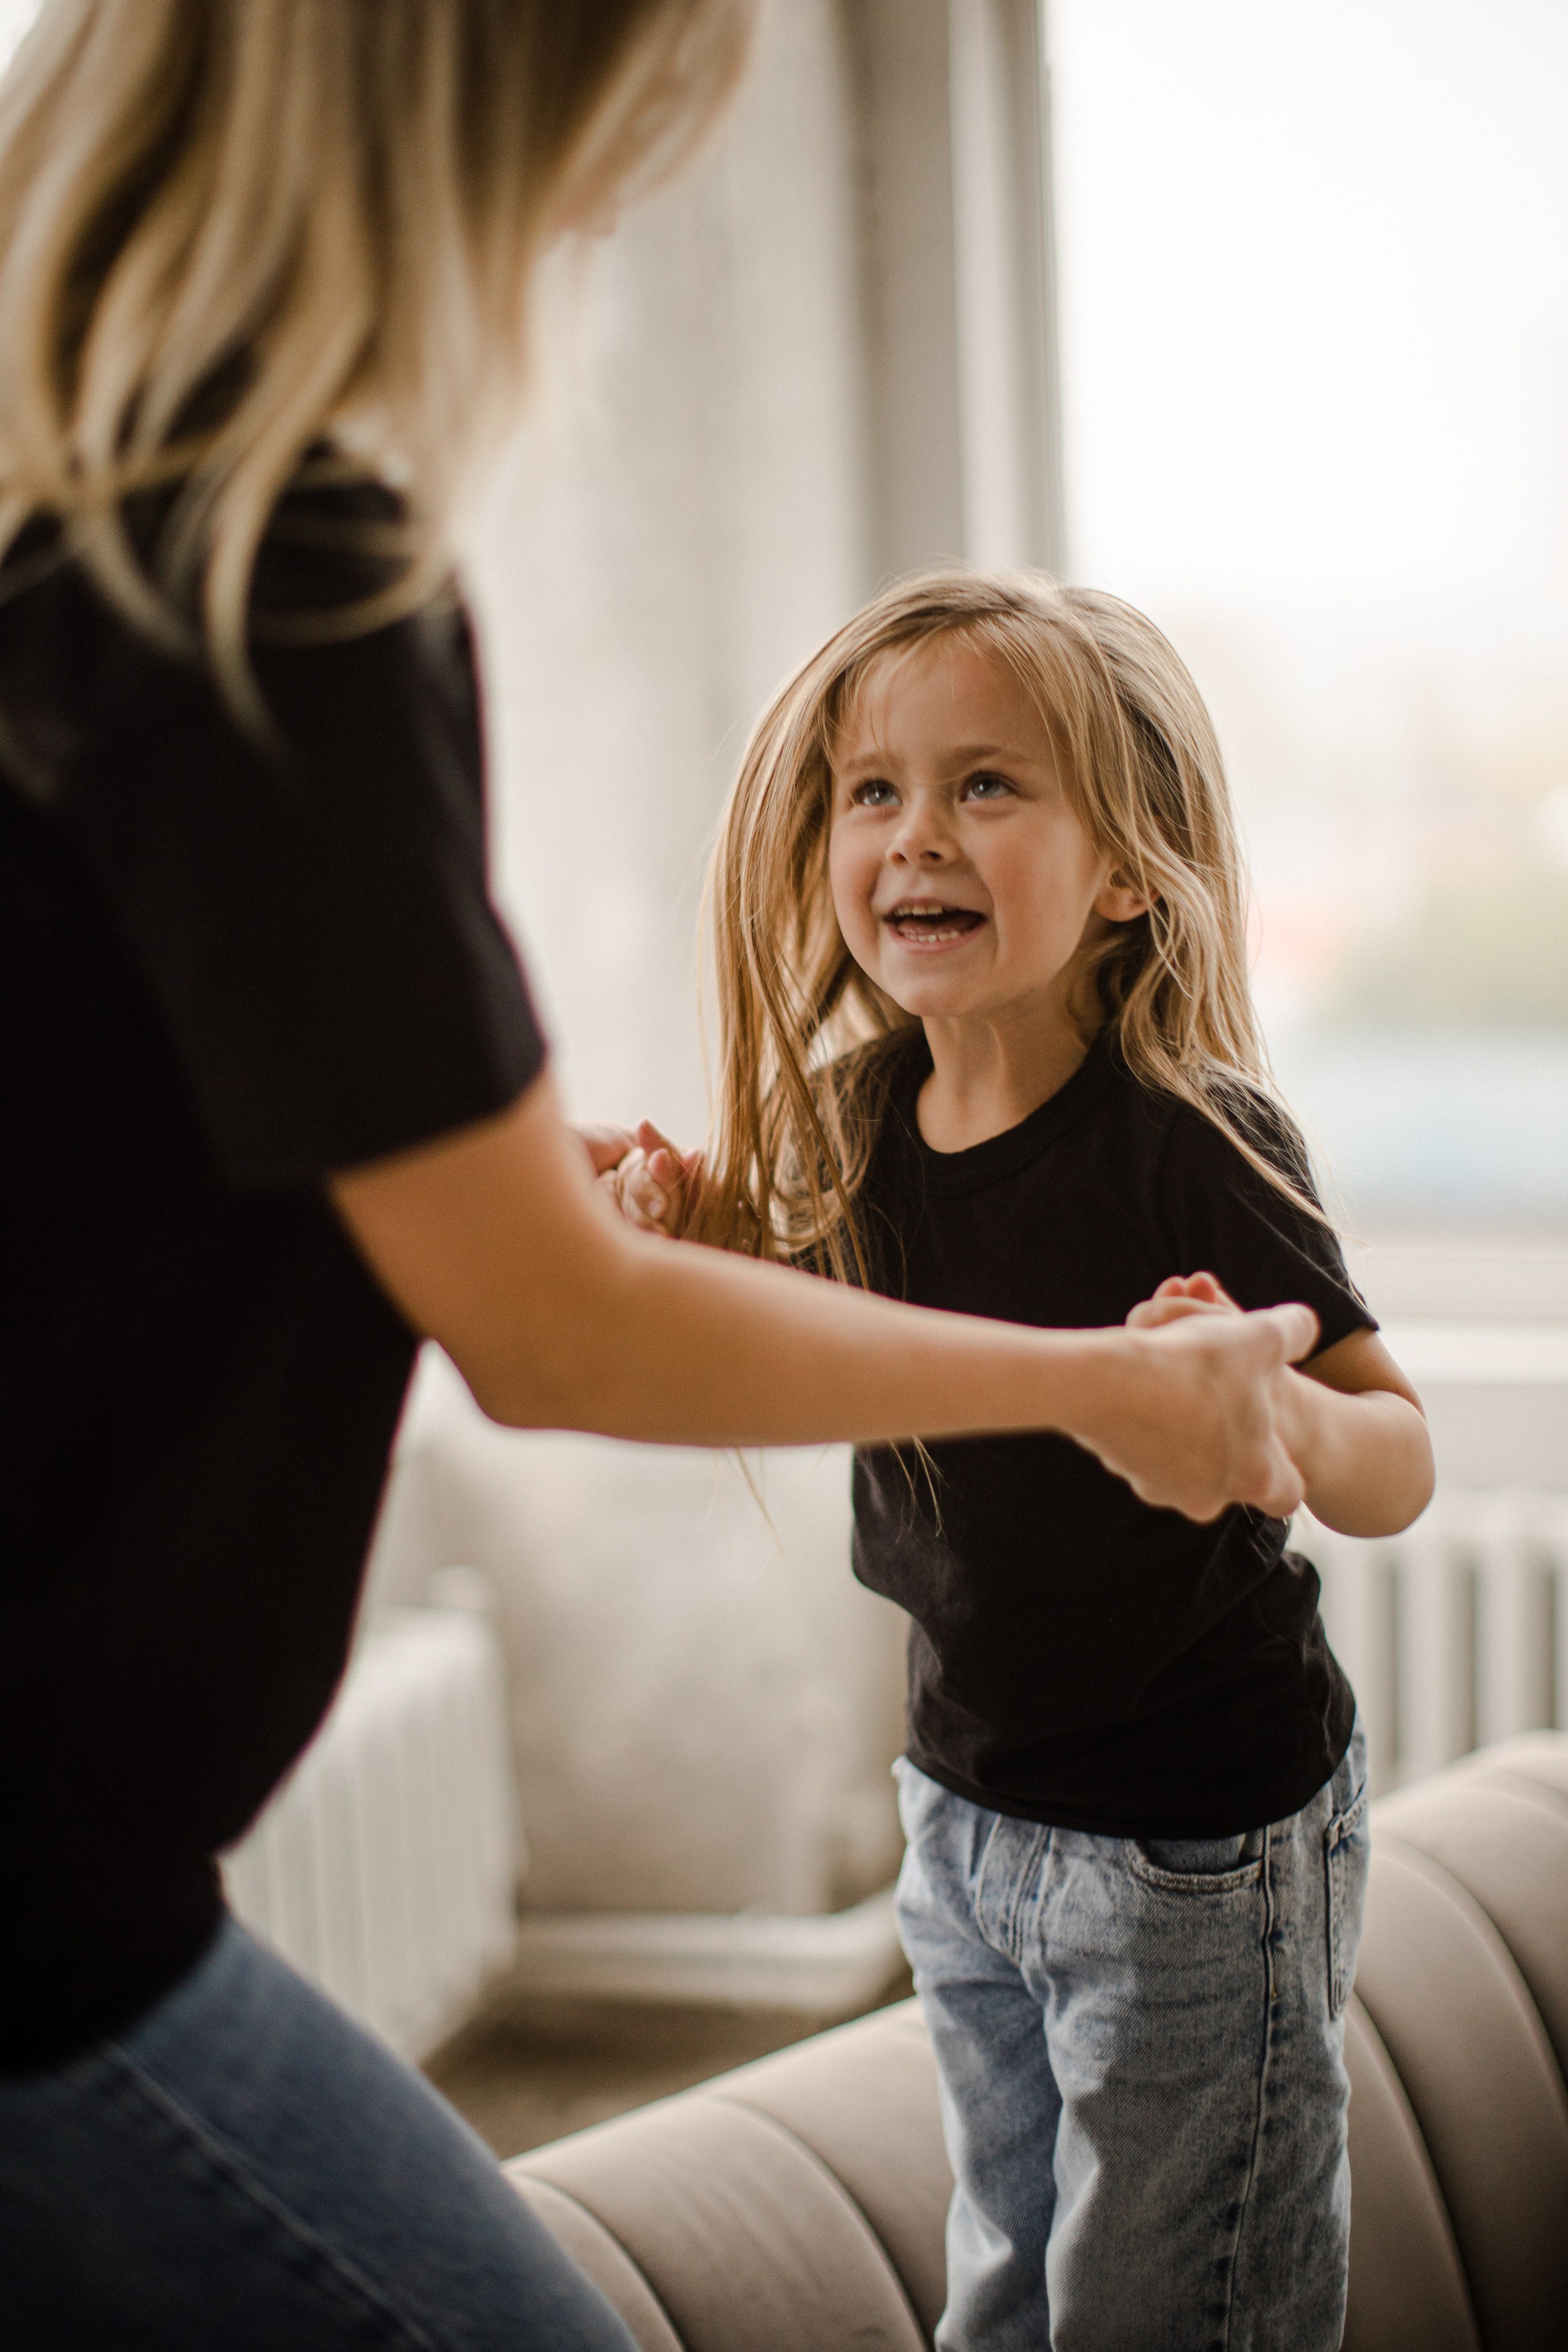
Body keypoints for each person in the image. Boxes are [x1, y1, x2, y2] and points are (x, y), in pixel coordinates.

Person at [0, 8, 1325, 2348]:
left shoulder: (81, 545)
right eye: (622, 125)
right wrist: (1085, 1393)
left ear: (1135, 871)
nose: (612, 208)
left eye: (993, 790)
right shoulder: (264, 577)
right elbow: (554, 1329)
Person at [611, 570, 1435, 2351]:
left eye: (988, 785)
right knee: (1003, 2283)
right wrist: (668, 1225)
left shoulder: (1189, 1146)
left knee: (1176, 2311)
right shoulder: (847, 1124)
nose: (919, 835)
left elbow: (1399, 1457)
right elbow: (761, 1311)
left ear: (1128, 870)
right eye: (874, 790)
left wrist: (1275, 1422)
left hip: (1190, 1857)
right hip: (965, 1816)